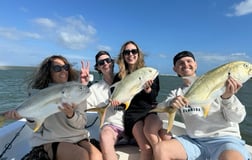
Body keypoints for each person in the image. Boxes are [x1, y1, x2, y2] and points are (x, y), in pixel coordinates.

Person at [153, 51, 251, 160]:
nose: (185, 64)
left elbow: (238, 118)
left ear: (196, 64)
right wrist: (171, 104)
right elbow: (161, 116)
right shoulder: (177, 93)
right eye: (180, 63)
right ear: (175, 69)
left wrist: (228, 98)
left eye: (189, 61)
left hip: (225, 141)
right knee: (161, 149)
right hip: (195, 142)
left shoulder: (218, 83)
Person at [5, 55, 102, 160]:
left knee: (97, 157)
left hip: (78, 137)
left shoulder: (78, 92)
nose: (63, 71)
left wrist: (71, 115)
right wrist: (26, 116)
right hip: (52, 139)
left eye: (66, 67)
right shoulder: (38, 94)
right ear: (49, 72)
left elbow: (81, 124)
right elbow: (36, 128)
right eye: (57, 68)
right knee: (81, 156)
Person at [111, 40, 171, 160]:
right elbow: (118, 100)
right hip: (132, 116)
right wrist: (116, 103)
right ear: (123, 56)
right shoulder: (119, 76)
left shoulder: (148, 72)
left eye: (134, 51)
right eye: (127, 52)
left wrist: (148, 89)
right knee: (146, 147)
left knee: (158, 137)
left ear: (139, 54)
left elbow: (153, 97)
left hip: (148, 111)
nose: (130, 54)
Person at [80, 51, 125, 160]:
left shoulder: (125, 81)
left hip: (131, 126)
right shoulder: (94, 89)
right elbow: (81, 107)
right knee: (105, 136)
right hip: (112, 129)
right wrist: (83, 85)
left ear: (112, 63)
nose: (105, 63)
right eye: (101, 63)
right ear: (98, 67)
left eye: (108, 60)